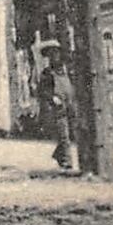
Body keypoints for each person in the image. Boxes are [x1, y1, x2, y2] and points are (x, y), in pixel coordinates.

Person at [38, 44, 75, 172]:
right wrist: (52, 97)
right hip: (57, 108)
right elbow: (42, 90)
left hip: (69, 105)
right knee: (64, 135)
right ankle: (67, 162)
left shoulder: (67, 71)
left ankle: (58, 154)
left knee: (70, 134)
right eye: (51, 55)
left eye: (56, 53)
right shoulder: (47, 73)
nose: (54, 57)